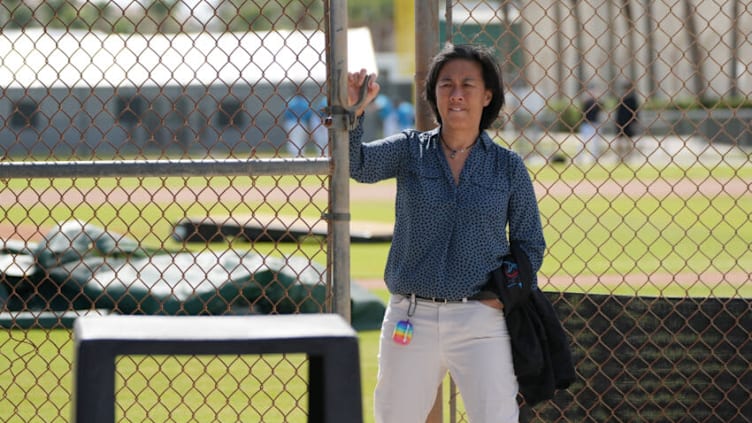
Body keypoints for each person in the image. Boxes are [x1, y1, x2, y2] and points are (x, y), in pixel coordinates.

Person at [347, 44, 546, 423]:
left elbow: (530, 243)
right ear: (433, 94)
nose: (456, 94)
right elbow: (358, 166)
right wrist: (356, 112)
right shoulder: (410, 150)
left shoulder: (507, 166)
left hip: (480, 319)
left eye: (468, 84)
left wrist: (499, 296)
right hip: (411, 315)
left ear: (487, 95)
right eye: (446, 84)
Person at [577, 87, 603, 164]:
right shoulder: (587, 102)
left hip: (595, 124)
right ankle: (579, 158)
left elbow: (602, 108)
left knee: (595, 143)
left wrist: (597, 99)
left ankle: (594, 158)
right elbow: (582, 112)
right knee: (583, 142)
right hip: (586, 124)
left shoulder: (597, 103)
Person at [614, 81, 639, 161]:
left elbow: (635, 111)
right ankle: (621, 157)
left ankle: (626, 157)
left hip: (626, 121)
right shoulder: (624, 98)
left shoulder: (630, 98)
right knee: (622, 140)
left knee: (626, 140)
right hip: (623, 121)